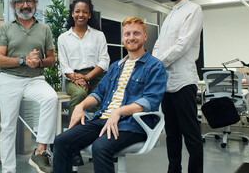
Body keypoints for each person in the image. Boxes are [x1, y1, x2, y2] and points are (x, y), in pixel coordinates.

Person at [53, 17, 167, 173]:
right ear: (122, 38)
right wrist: (81, 105)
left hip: (132, 125)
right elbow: (99, 93)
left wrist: (119, 112)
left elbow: (150, 101)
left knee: (101, 148)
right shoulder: (115, 67)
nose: (131, 37)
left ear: (145, 37)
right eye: (127, 34)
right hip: (103, 119)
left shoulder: (155, 66)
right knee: (61, 141)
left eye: (136, 33)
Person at [0, 0, 58, 173]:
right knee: (7, 126)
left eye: (28, 1)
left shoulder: (44, 28)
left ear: (35, 3)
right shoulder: (6, 27)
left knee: (51, 98)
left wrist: (38, 62)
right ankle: (8, 170)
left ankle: (40, 151)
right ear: (14, 6)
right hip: (9, 78)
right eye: (20, 2)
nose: (25, 5)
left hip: (34, 78)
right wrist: (23, 60)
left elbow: (51, 59)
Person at [152, 0, 204, 173]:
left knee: (191, 136)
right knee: (172, 134)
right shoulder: (169, 15)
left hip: (184, 82)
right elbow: (158, 45)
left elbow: (182, 45)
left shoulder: (194, 10)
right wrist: (151, 64)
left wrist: (157, 64)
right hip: (167, 84)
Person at [58, 0, 110, 166]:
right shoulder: (63, 37)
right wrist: (76, 78)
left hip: (96, 75)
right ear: (72, 14)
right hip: (73, 77)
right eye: (77, 11)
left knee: (107, 101)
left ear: (89, 15)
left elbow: (104, 61)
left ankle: (104, 144)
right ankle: (73, 147)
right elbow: (64, 65)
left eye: (85, 12)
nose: (81, 14)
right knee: (80, 94)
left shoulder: (98, 35)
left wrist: (87, 77)